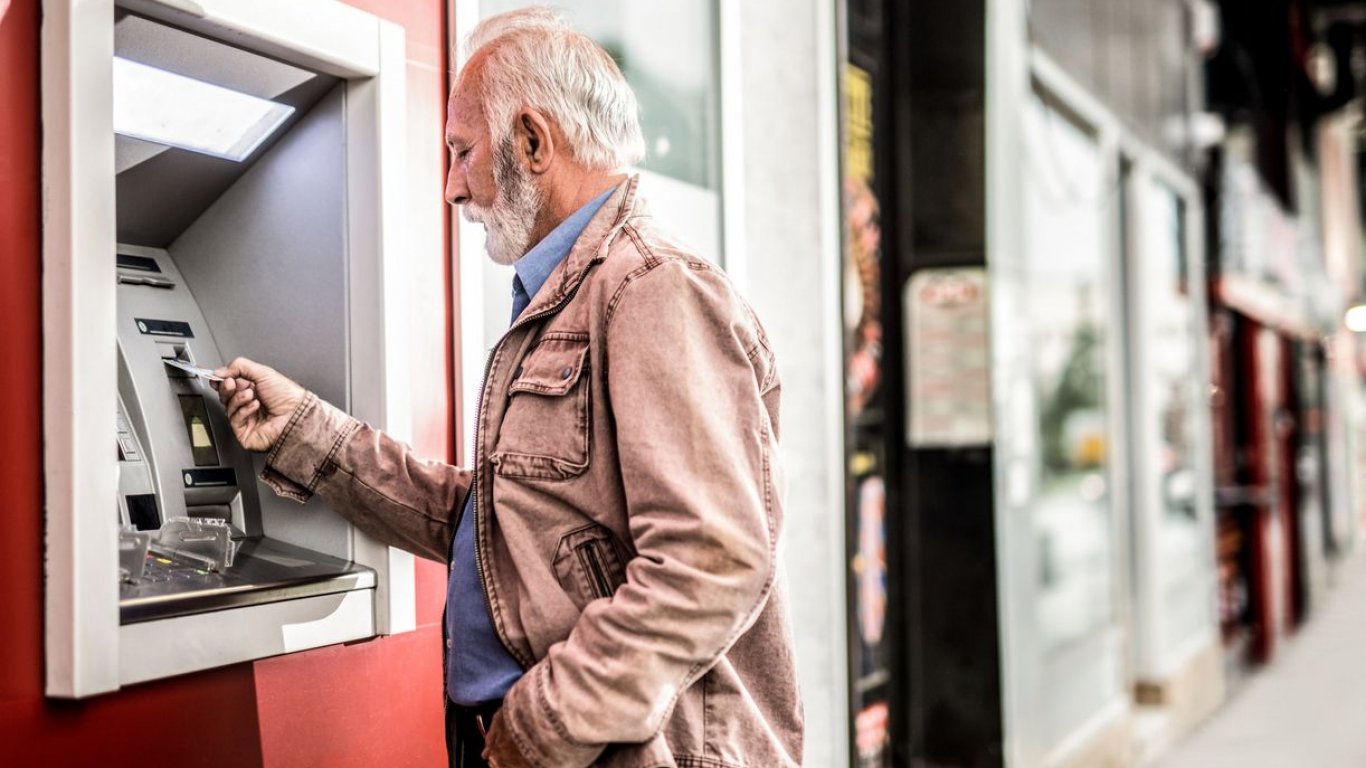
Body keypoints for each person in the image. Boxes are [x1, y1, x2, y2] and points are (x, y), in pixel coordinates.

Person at [213, 8, 802, 767]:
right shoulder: (569, 294)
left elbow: (711, 560)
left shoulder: (650, 291)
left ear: (531, 141)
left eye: (462, 152)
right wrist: (309, 434)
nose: (453, 188)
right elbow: (503, 526)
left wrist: (541, 728)